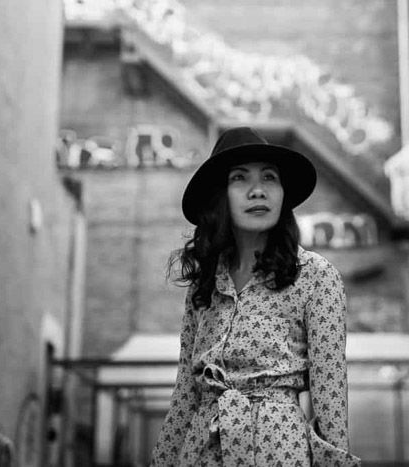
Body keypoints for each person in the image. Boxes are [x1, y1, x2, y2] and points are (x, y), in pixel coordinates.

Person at [151, 127, 361, 466]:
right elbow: (185, 395)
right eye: (240, 178)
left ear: (282, 194)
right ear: (220, 196)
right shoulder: (203, 286)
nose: (258, 191)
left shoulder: (315, 276)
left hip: (277, 451)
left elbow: (330, 398)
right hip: (200, 452)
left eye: (269, 178)